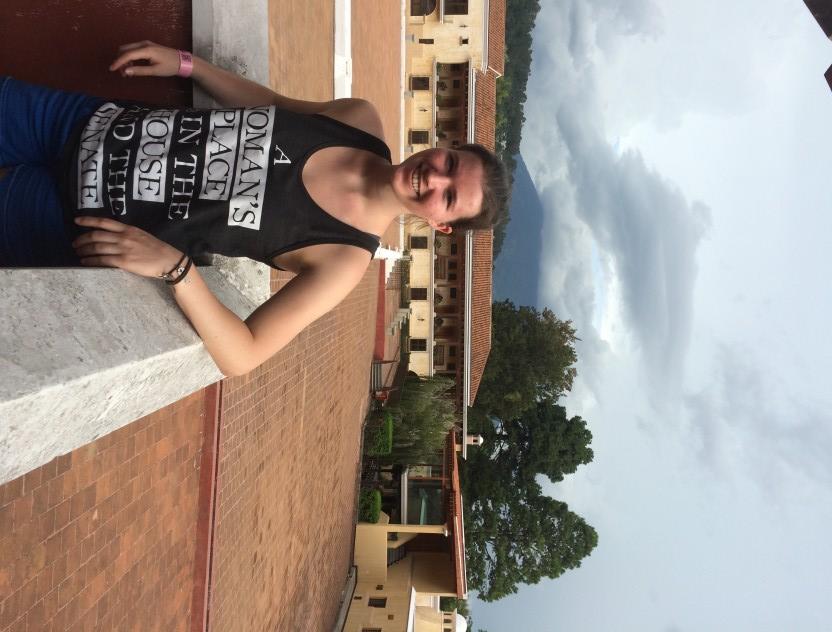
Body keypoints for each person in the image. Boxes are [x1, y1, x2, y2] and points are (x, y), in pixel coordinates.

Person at [0, 41, 508, 377]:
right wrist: (189, 65)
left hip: (82, 216)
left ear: (441, 224)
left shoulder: (342, 259)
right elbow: (271, 103)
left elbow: (245, 352)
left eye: (447, 195)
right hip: (85, 122)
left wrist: (175, 269)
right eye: (448, 162)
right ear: (446, 144)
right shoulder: (360, 119)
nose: (433, 177)